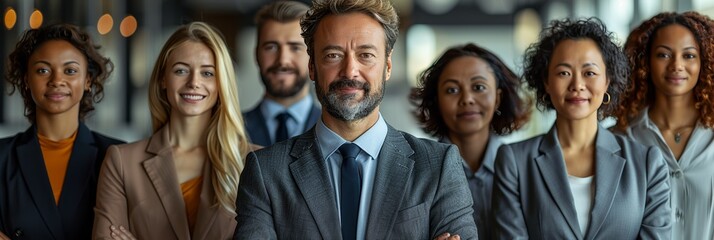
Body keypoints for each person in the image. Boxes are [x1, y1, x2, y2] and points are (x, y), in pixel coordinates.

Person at [233, 0, 478, 239]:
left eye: (366, 55)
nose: (350, 71)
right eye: (332, 55)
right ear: (312, 66)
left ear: (388, 66)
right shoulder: (266, 171)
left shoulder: (438, 167)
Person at [492, 18, 672, 239]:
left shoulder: (647, 163)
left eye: (589, 73)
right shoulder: (514, 161)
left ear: (607, 81)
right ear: (546, 82)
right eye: (563, 73)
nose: (577, 85)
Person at [92, 21, 251, 239]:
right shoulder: (121, 162)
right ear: (162, 79)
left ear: (221, 82)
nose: (194, 82)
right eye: (181, 70)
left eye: (207, 73)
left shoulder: (254, 162)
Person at [0, 24, 124, 239]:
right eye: (43, 70)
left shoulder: (118, 156)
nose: (57, 80)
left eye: (70, 71)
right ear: (26, 80)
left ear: (88, 81)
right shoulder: (1, 157)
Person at [410, 43, 531, 240]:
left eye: (479, 87)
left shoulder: (525, 168)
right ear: (437, 101)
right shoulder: (416, 171)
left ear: (498, 98)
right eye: (451, 90)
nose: (467, 99)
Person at [613, 12, 714, 240]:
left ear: (704, 61)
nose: (677, 65)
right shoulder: (619, 141)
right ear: (645, 62)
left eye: (689, 55)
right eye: (663, 54)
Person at [243, 1, 321, 146]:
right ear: (256, 54)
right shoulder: (230, 129)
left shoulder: (334, 129)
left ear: (313, 56)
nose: (283, 61)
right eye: (271, 47)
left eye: (295, 47)